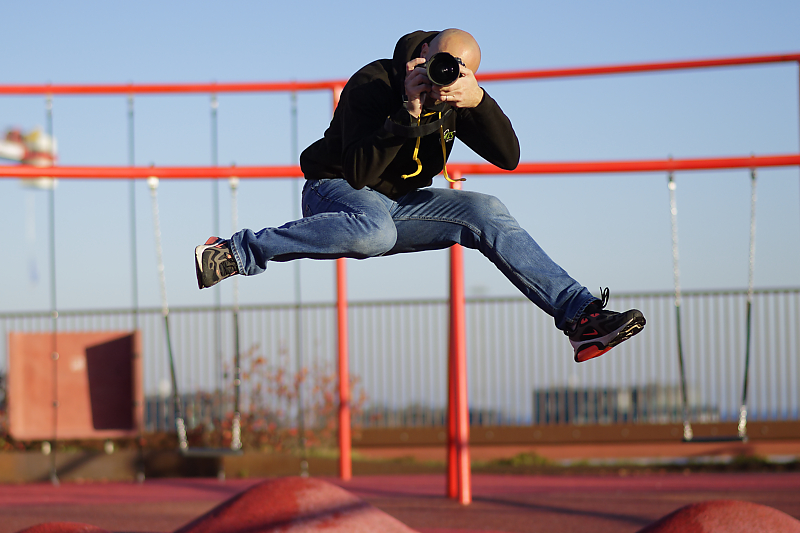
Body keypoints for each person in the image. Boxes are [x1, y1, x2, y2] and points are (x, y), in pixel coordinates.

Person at [195, 29, 645, 362]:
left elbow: (509, 157)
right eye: (441, 62)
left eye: (461, 71)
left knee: (486, 210)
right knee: (375, 231)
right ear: (425, 53)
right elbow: (357, 172)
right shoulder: (374, 83)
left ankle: (581, 318)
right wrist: (406, 114)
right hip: (336, 189)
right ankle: (236, 251)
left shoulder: (455, 98)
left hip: (399, 206)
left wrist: (478, 101)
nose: (442, 76)